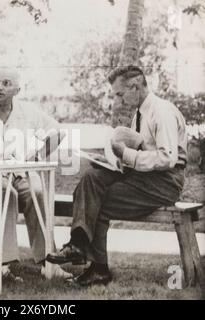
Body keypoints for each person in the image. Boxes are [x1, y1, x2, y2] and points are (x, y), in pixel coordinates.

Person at [46, 66, 187, 287]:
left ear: (136, 86)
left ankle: (97, 267)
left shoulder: (162, 112)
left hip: (165, 182)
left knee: (97, 203)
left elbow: (167, 159)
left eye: (120, 94)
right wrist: (108, 161)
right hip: (144, 177)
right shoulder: (140, 113)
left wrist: (126, 154)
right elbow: (138, 155)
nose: (118, 100)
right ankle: (78, 246)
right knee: (92, 177)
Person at [0, 68, 72, 281]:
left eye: (6, 83)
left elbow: (58, 131)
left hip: (19, 173)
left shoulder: (27, 111)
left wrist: (38, 155)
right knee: (6, 193)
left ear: (17, 90)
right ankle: (3, 266)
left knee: (38, 193)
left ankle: (48, 263)